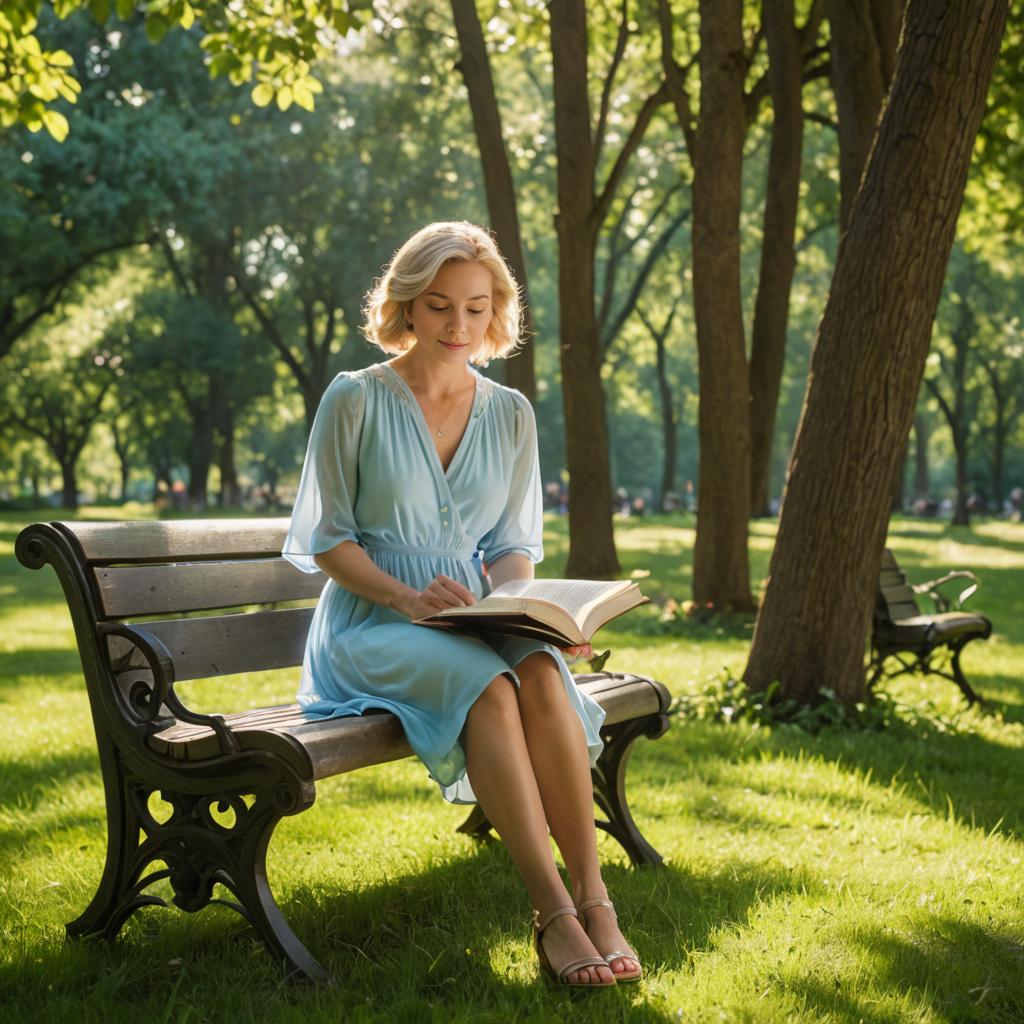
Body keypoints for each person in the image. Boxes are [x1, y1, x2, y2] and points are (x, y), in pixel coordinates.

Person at [282, 222, 641, 988]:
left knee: (540, 668)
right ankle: (551, 912)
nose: (457, 326)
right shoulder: (355, 399)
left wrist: (525, 611)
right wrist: (408, 597)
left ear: (495, 313)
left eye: (475, 309)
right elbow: (327, 542)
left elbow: (512, 544)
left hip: (473, 619)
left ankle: (595, 896)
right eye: (439, 305)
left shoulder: (510, 413)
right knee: (490, 685)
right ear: (407, 306)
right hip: (371, 622)